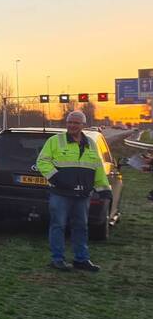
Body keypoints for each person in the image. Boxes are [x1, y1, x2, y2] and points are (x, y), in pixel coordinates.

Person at [36, 110, 112, 272]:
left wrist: (104, 189)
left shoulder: (91, 143)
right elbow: (42, 162)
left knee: (81, 227)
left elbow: (97, 168)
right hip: (60, 193)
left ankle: (81, 259)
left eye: (76, 123)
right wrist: (56, 178)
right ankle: (57, 259)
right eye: (70, 122)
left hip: (83, 194)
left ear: (82, 125)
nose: (72, 125)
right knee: (58, 225)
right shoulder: (55, 141)